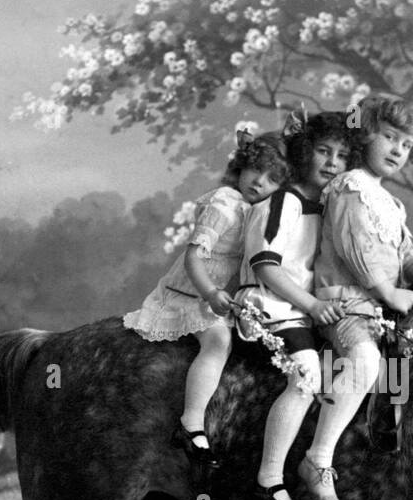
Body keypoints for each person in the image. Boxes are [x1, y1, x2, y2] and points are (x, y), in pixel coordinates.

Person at [298, 93, 413, 500]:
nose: (398, 149)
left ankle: (395, 470)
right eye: (390, 137)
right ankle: (318, 460)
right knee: (365, 365)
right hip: (346, 305)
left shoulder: (391, 203)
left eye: (407, 144)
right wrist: (389, 291)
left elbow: (403, 253)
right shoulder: (348, 186)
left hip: (381, 312)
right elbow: (353, 249)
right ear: (365, 136)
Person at [123, 129, 289, 466]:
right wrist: (211, 293)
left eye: (272, 179)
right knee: (218, 342)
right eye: (255, 170)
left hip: (215, 296)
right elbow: (194, 257)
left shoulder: (255, 212)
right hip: (188, 292)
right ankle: (191, 422)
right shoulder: (225, 203)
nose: (259, 183)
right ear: (241, 167)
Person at [235, 110, 351, 500]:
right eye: (323, 151)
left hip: (299, 308)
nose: (332, 163)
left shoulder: (329, 207)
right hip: (270, 303)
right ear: (305, 152)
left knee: (370, 367)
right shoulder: (284, 201)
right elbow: (265, 266)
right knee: (306, 376)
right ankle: (268, 476)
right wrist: (314, 304)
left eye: (341, 155)